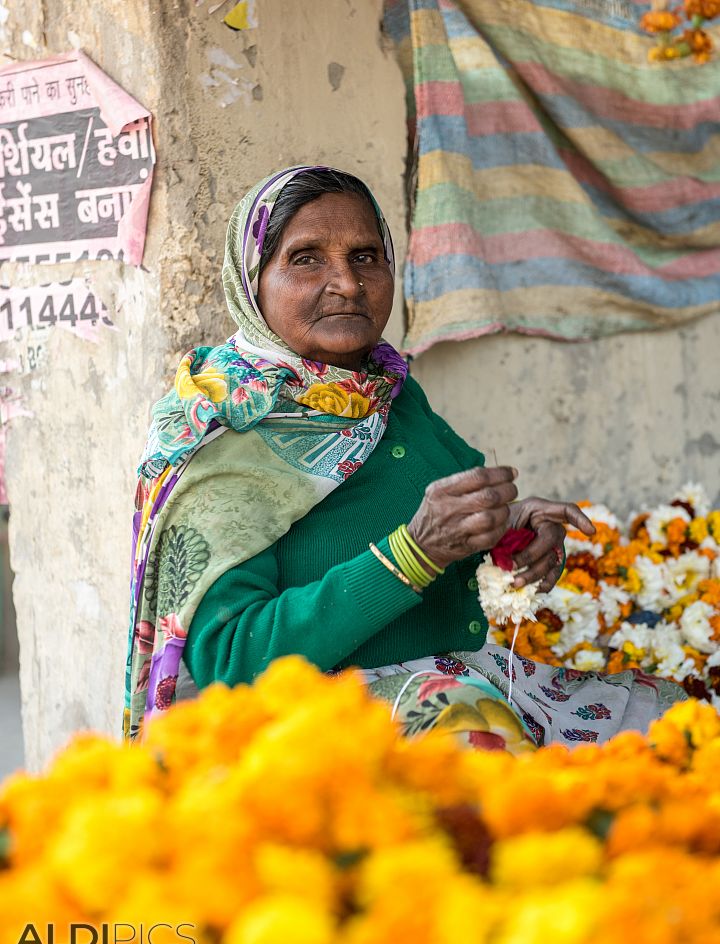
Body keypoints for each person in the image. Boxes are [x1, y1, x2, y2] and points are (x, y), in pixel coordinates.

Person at [123, 165, 686, 748]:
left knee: (680, 726)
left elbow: (420, 525)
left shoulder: (385, 391)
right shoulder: (226, 428)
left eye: (366, 256)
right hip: (323, 723)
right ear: (251, 282)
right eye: (307, 258)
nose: (346, 282)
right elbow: (232, 660)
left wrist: (508, 535)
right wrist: (414, 553)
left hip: (462, 681)